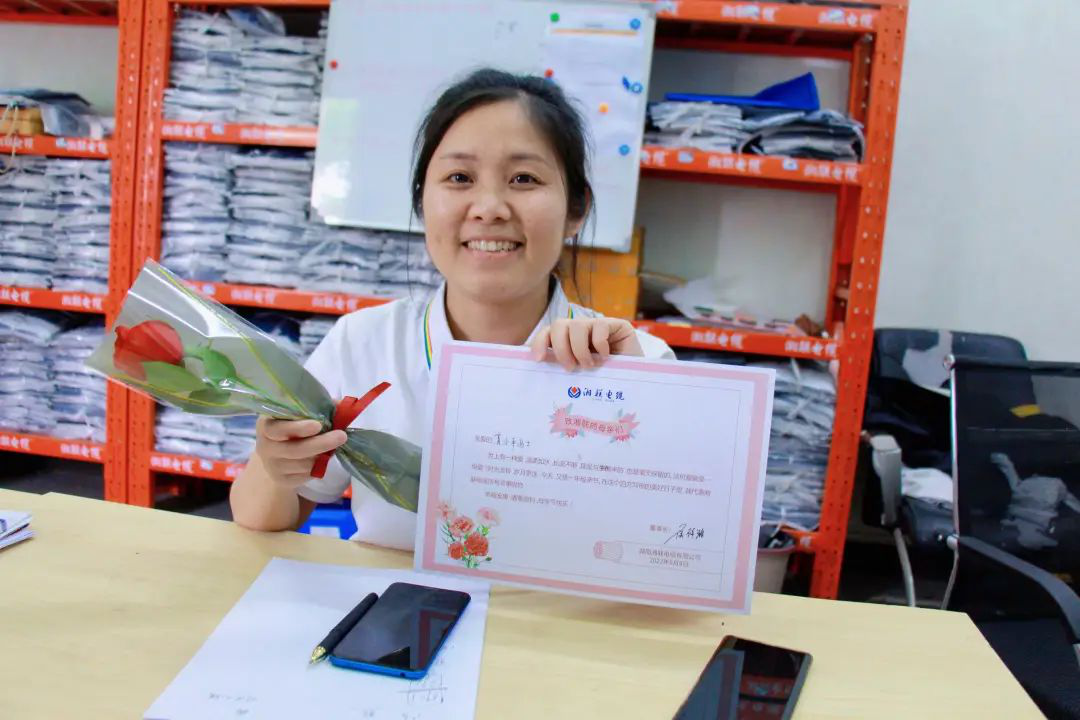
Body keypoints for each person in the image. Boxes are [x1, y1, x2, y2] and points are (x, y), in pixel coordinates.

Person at [230, 68, 673, 549]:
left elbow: (670, 542)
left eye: (524, 178)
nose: (489, 207)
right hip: (399, 597)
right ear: (422, 201)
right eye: (459, 178)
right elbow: (265, 517)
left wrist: (633, 394)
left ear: (576, 209)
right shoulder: (364, 342)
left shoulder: (638, 360)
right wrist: (276, 464)